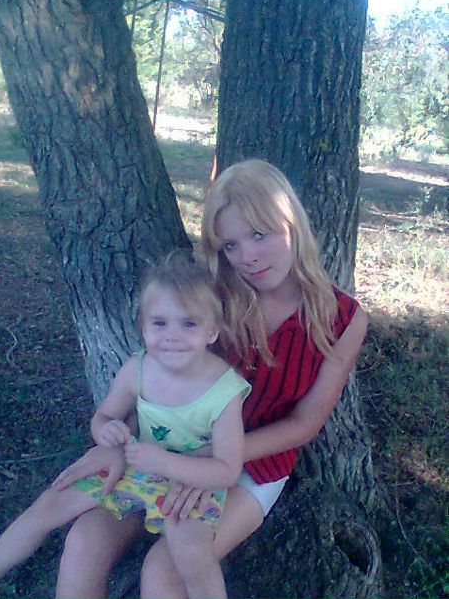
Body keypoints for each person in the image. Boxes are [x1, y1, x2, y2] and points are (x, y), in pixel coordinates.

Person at [52, 158, 368, 599]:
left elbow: (305, 424)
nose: (247, 257)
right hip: (168, 449)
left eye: (260, 235)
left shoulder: (343, 318)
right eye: (231, 245)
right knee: (86, 538)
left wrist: (210, 463)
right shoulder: (212, 295)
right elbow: (159, 375)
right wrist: (117, 444)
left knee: (165, 570)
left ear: (292, 223)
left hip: (254, 466)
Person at [0, 258, 251, 599]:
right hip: (134, 467)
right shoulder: (137, 370)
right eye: (159, 323)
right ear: (143, 327)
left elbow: (227, 470)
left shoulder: (224, 390)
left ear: (212, 332)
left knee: (192, 553)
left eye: (189, 324)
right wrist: (106, 432)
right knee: (50, 503)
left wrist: (164, 462)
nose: (172, 336)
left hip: (190, 483)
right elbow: (104, 416)